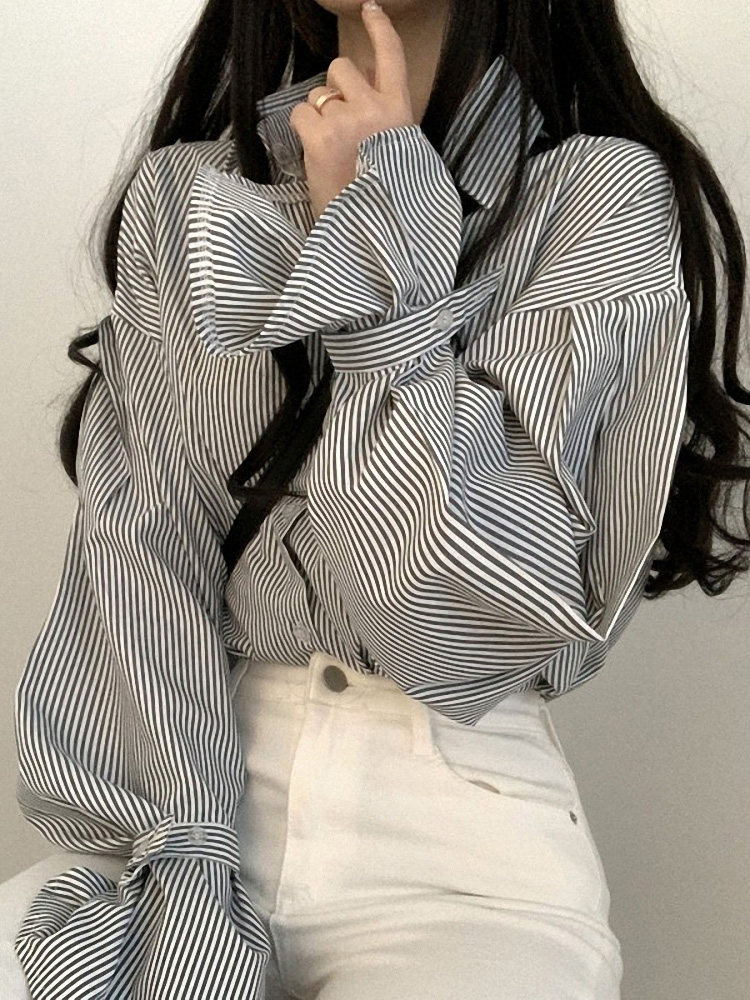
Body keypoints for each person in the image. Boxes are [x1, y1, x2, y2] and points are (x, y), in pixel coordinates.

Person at [5, 0, 749, 998]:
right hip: (183, 817)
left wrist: (383, 260)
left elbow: (451, 626)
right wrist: (184, 864)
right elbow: (141, 558)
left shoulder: (595, 195)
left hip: (458, 855)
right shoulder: (189, 197)